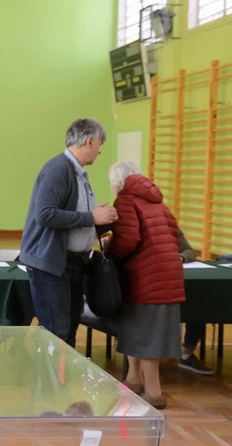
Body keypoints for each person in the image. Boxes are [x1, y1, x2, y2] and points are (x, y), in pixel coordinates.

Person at [19, 118, 118, 347]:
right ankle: (49, 372)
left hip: (72, 263)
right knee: (57, 333)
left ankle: (60, 372)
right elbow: (45, 214)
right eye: (100, 144)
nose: (100, 151)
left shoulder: (77, 172)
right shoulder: (58, 169)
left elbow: (71, 214)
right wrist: (91, 217)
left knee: (68, 330)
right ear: (89, 141)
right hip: (51, 264)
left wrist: (100, 219)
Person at [104, 161, 184, 410]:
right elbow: (174, 235)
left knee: (146, 335)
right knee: (135, 328)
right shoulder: (157, 201)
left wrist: (109, 250)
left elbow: (128, 239)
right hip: (167, 273)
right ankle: (133, 380)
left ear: (117, 182)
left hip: (145, 276)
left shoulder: (125, 200)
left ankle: (154, 393)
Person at [175, 230, 215, 375]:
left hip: (177, 279)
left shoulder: (172, 228)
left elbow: (190, 252)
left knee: (199, 300)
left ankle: (187, 354)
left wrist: (181, 257)